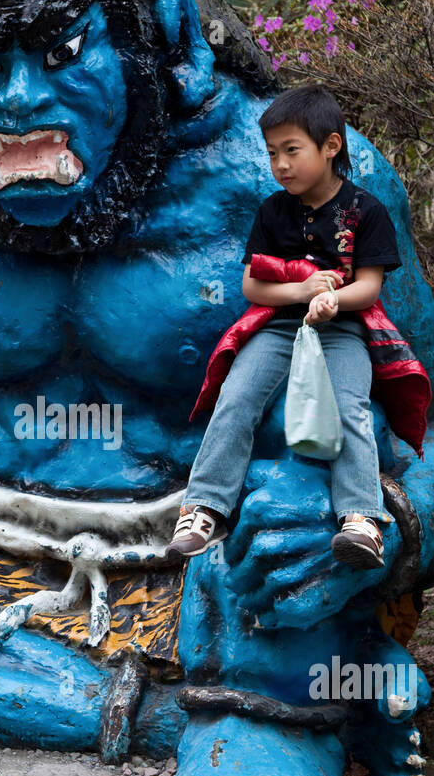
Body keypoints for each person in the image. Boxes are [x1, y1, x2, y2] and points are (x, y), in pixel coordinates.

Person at [168, 84, 404, 570]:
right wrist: (300, 293)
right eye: (273, 153)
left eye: (292, 150)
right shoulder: (273, 212)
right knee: (236, 397)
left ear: (331, 146)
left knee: (349, 408)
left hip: (343, 331)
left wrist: (330, 301)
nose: (281, 164)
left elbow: (370, 287)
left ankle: (361, 520)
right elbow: (254, 286)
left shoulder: (365, 212)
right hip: (277, 329)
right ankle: (204, 506)